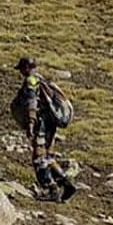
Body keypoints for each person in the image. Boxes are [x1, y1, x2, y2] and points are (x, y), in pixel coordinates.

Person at [12, 56, 76, 202]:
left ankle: (51, 188)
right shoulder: (42, 79)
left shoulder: (31, 81)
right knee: (49, 157)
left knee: (38, 158)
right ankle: (66, 183)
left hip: (40, 124)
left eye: (22, 68)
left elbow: (32, 103)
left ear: (27, 68)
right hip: (50, 124)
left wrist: (30, 124)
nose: (21, 71)